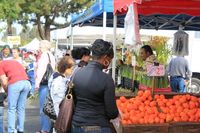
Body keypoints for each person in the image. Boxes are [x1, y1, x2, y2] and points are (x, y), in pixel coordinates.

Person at [71, 39, 119, 133]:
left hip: (76, 125)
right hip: (98, 126)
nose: (109, 63)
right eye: (110, 59)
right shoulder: (107, 79)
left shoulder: (77, 73)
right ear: (105, 57)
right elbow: (112, 113)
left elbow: (74, 101)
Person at [0, 60, 31, 133]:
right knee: (21, 108)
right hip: (26, 83)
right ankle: (20, 129)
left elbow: (4, 82)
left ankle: (11, 130)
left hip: (15, 83)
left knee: (12, 108)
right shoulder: (13, 61)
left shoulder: (0, 66)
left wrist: (7, 91)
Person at [48, 56, 75, 133]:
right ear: (65, 68)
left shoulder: (56, 77)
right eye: (71, 68)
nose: (72, 70)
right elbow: (59, 102)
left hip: (57, 115)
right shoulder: (59, 81)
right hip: (60, 114)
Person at [35, 40, 56, 133]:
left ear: (44, 46)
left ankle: (45, 129)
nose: (39, 47)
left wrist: (36, 83)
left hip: (44, 83)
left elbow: (41, 70)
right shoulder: (51, 55)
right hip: (50, 83)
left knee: (43, 108)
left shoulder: (44, 56)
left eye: (40, 45)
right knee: (49, 106)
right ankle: (47, 128)